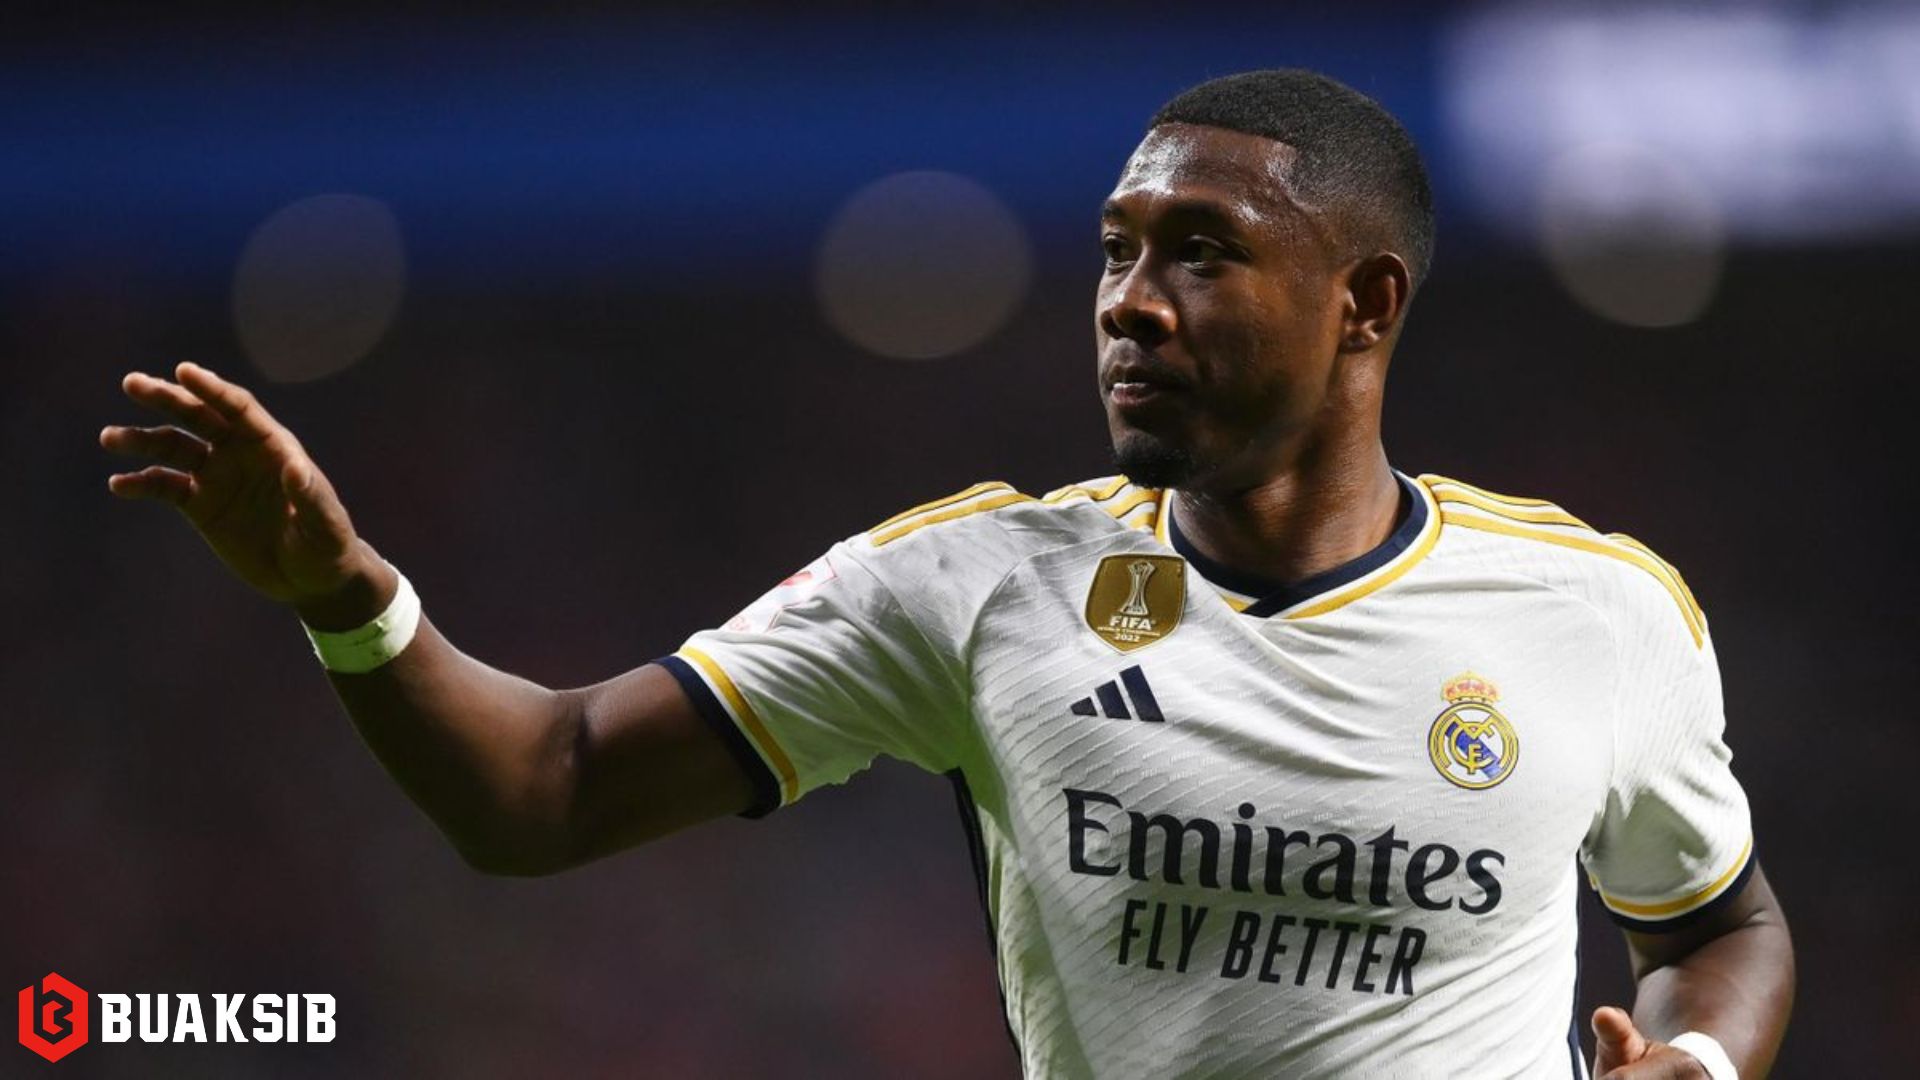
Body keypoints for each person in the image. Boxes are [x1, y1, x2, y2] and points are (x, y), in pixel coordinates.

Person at [100, 69, 1792, 1079]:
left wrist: (1702, 1060)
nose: (1130, 301)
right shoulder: (977, 584)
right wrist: (348, 597)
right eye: (1118, 251)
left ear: (1367, 306)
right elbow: (541, 790)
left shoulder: (1596, 612)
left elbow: (1724, 925)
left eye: (1203, 254)